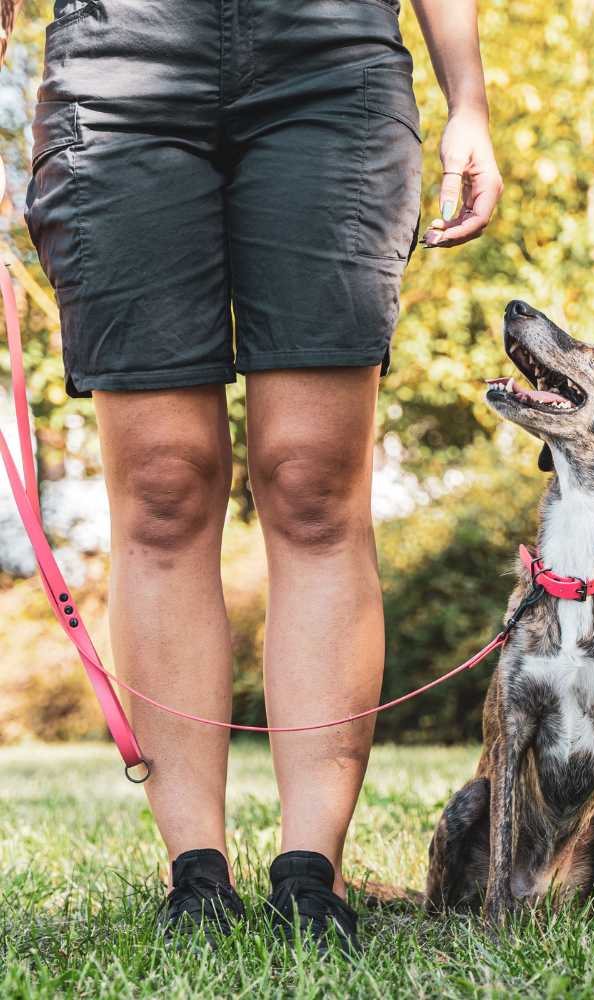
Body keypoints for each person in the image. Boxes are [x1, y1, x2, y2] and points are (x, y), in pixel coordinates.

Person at [0, 0, 503, 955]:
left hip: (332, 63)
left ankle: (310, 873)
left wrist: (466, 96)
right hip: (119, 64)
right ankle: (197, 874)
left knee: (312, 483)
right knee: (161, 485)